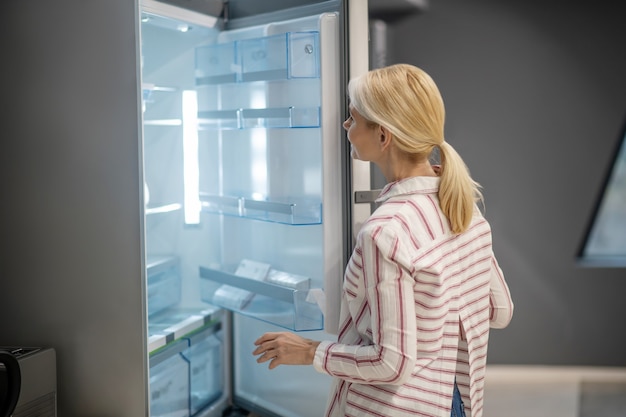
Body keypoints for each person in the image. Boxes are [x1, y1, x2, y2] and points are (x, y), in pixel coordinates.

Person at [252, 63, 514, 417]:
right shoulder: (463, 204)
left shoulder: (385, 231)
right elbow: (499, 311)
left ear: (383, 136)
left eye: (353, 118)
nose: (346, 126)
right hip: (456, 400)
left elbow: (392, 363)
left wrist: (309, 351)